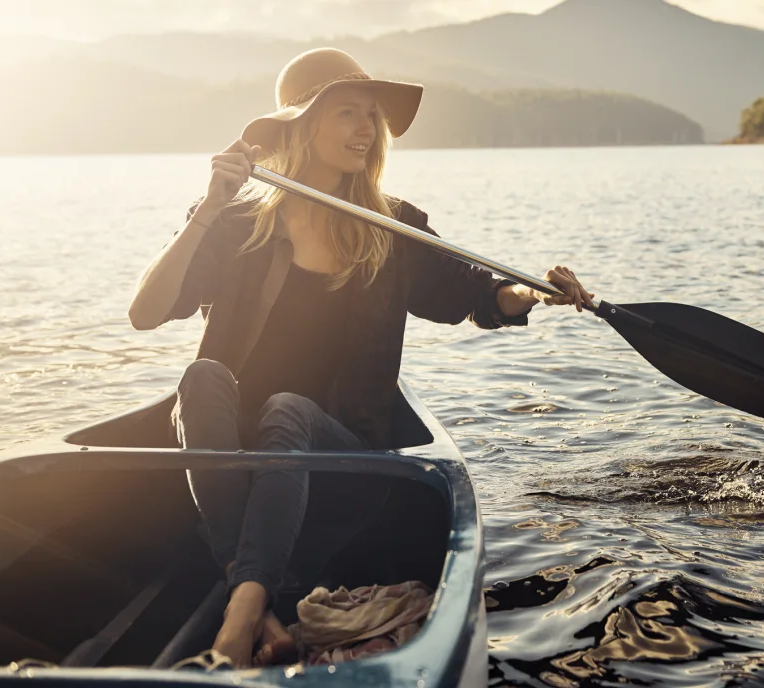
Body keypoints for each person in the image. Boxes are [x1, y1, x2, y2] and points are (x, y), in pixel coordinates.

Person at [126, 48, 593, 668]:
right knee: (203, 378)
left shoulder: (394, 227)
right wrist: (208, 206)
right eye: (348, 113)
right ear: (299, 127)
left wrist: (533, 290)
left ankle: (239, 621)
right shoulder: (234, 222)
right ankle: (259, 603)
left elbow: (479, 297)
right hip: (235, 468)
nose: (367, 130)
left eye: (371, 116)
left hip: (347, 467)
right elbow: (146, 312)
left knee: (287, 410)